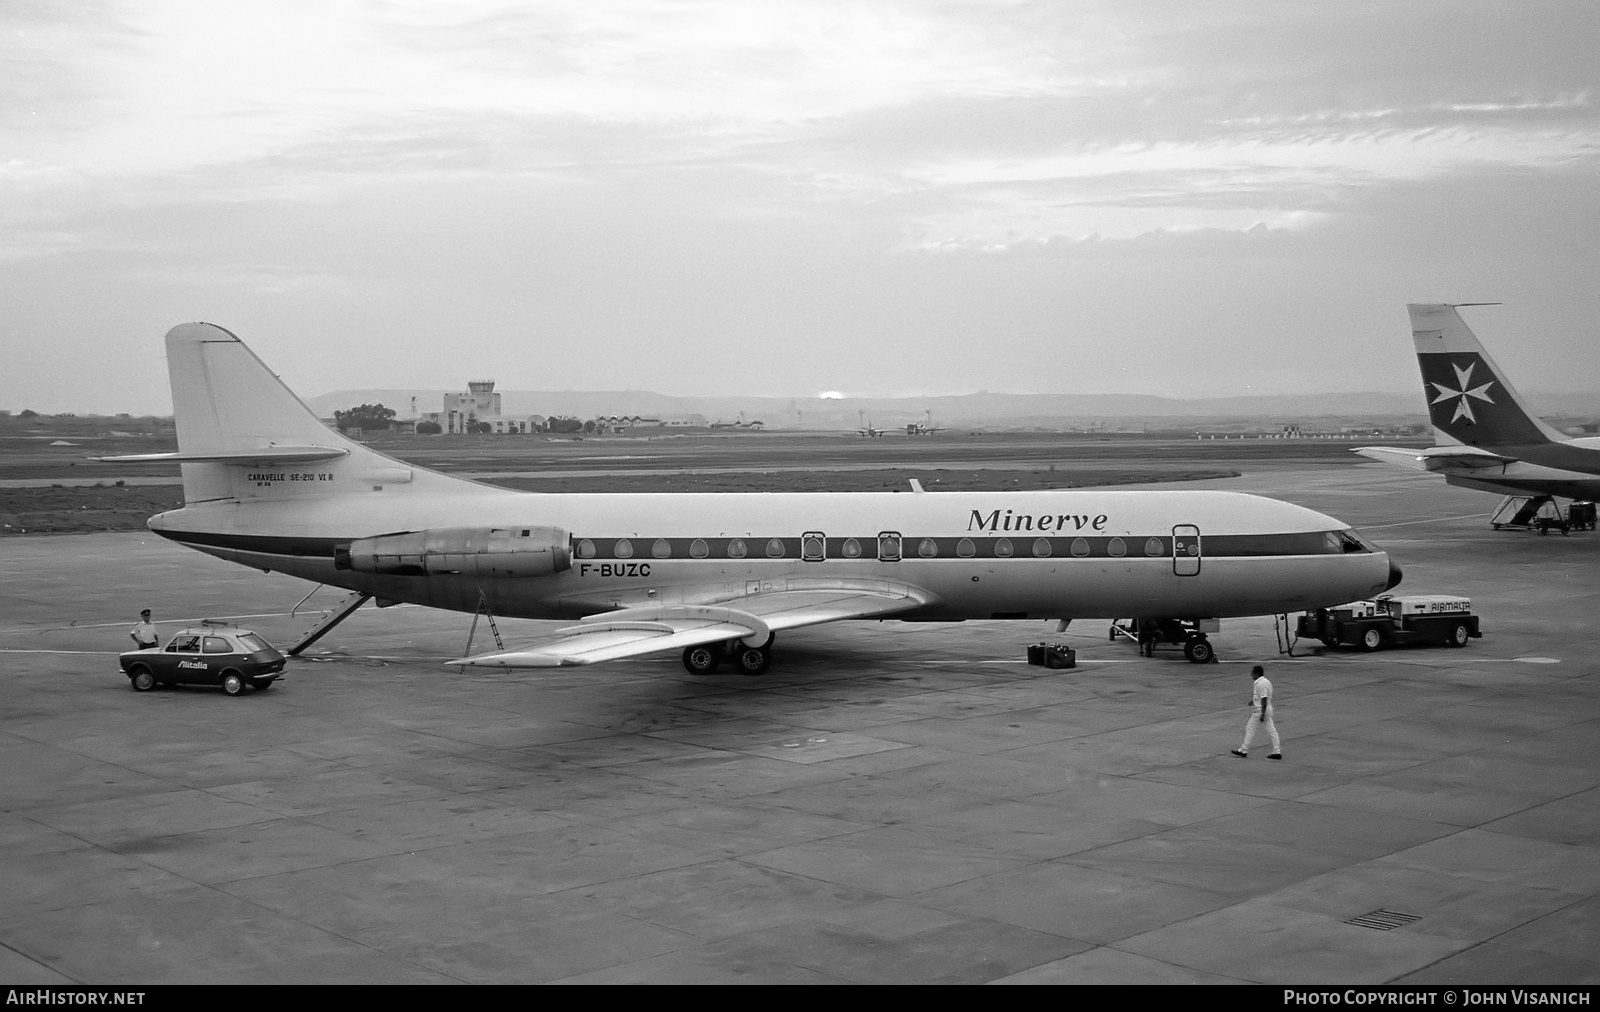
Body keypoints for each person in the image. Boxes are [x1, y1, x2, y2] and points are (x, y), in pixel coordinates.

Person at [1232, 664, 1281, 759]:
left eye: (1252, 673)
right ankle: (1277, 751)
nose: (1251, 675)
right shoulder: (1266, 682)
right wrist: (1253, 701)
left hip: (1260, 710)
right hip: (1267, 708)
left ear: (1257, 673)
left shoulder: (1260, 684)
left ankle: (1243, 750)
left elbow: (1264, 698)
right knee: (1271, 730)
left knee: (1250, 728)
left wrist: (1262, 713)